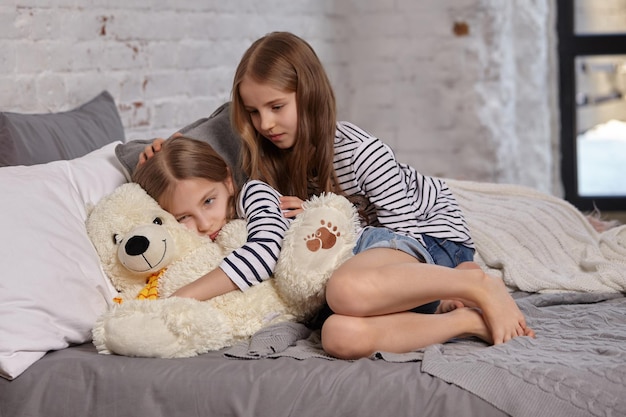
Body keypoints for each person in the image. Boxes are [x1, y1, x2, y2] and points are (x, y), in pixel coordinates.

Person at [141, 32, 535, 359]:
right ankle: (466, 321)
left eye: (277, 106)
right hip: (364, 261)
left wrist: (336, 219)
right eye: (255, 112)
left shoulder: (358, 149)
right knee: (337, 336)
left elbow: (407, 235)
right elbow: (200, 165)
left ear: (309, 93)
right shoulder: (261, 171)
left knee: (344, 290)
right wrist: (158, 152)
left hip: (429, 239)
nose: (266, 124)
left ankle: (475, 284)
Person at [132, 135, 290, 301]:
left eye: (208, 201)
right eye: (183, 217)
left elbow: (268, 250)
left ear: (228, 181)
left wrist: (181, 297)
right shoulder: (180, 242)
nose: (205, 224)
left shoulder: (253, 195)